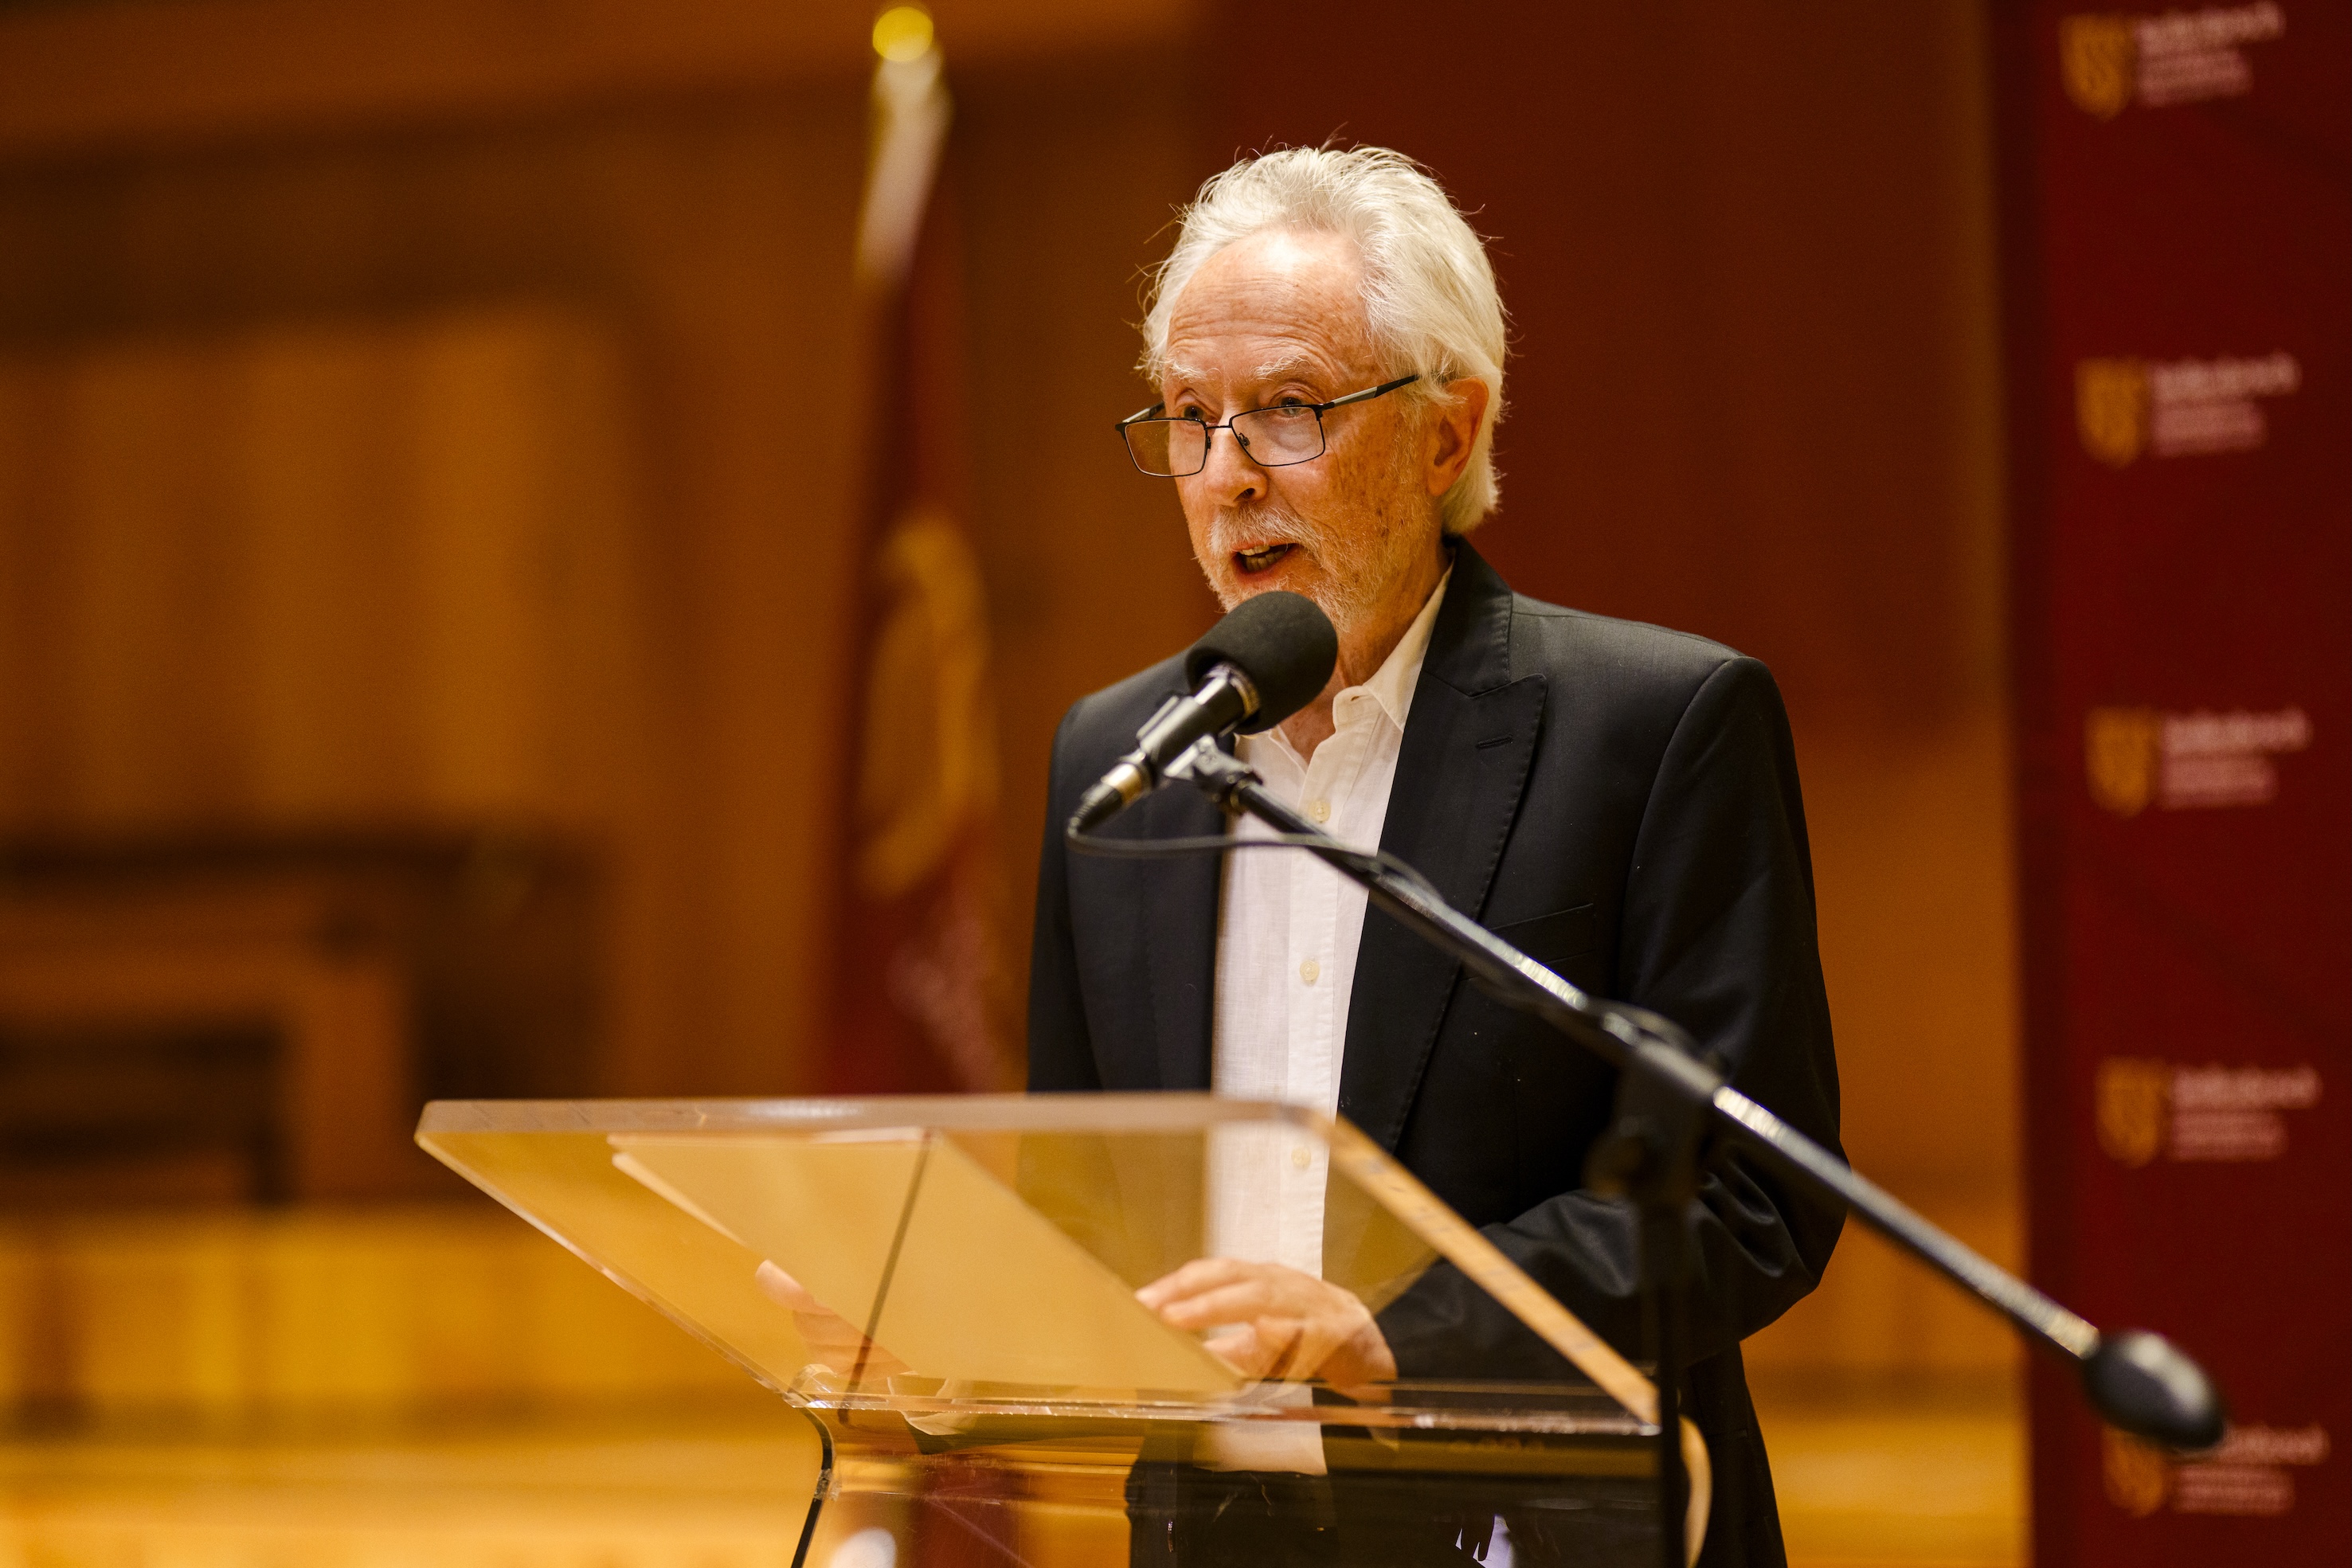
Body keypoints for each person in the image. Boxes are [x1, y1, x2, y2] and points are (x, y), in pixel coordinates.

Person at [1027, 147, 1843, 1568]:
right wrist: (921, 1297)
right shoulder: (1123, 759)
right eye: (1187, 418)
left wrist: (1391, 1334)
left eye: (1286, 411)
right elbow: (1083, 1188)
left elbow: (1748, 1197)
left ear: (1446, 435)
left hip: (1542, 1527)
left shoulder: (1653, 728)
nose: (1223, 477)